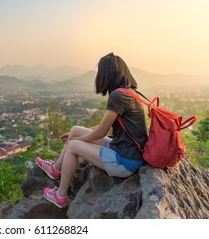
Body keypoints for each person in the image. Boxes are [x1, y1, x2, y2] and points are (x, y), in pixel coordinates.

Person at [35, 52, 148, 208]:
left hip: (125, 161)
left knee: (73, 145)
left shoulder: (118, 96)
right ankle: (56, 168)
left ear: (107, 73)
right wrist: (77, 135)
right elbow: (103, 127)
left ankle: (60, 196)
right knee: (75, 130)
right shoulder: (129, 92)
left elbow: (100, 133)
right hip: (125, 150)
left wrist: (74, 142)